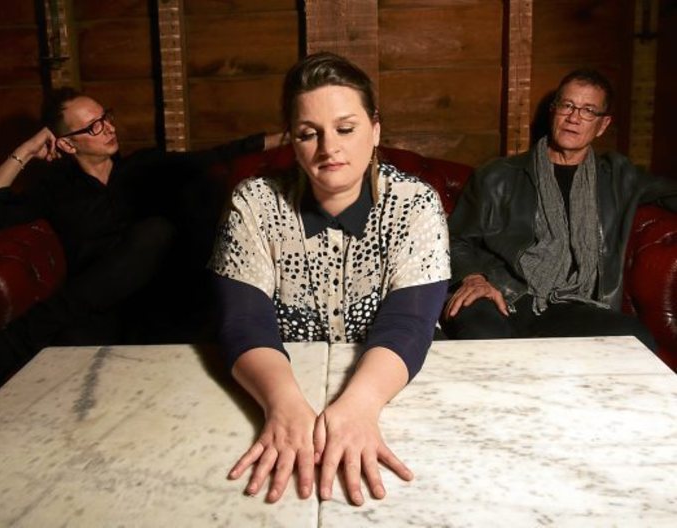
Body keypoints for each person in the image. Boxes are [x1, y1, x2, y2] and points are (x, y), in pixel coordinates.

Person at [209, 52, 450, 505]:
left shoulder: (415, 203)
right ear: (291, 139)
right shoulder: (254, 203)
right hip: (282, 380)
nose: (328, 148)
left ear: (374, 130)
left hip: (392, 387)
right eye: (308, 133)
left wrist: (360, 406)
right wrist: (282, 404)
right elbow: (243, 321)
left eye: (345, 128)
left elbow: (410, 323)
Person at [0, 87, 279, 404]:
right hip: (94, 312)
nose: (108, 128)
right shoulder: (56, 190)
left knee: (158, 232)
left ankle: (5, 349)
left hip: (158, 304)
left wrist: (289, 137)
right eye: (93, 126)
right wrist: (27, 148)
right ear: (66, 144)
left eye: (106, 117)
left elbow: (216, 155)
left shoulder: (143, 166)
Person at [443, 69, 677, 347]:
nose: (574, 118)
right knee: (484, 336)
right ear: (554, 111)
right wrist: (473, 278)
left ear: (602, 125)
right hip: (500, 295)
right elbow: (455, 238)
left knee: (635, 341)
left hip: (570, 305)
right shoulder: (499, 175)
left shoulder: (618, 177)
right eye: (567, 105)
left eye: (588, 110)